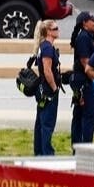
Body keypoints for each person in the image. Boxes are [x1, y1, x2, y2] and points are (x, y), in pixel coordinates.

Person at [69, 11, 94, 148]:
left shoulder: (89, 36)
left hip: (82, 81)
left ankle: (78, 148)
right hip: (83, 82)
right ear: (85, 24)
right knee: (89, 115)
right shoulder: (83, 38)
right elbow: (85, 62)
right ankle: (86, 148)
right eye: (92, 20)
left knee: (80, 115)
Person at [33, 19, 61, 156]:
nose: (58, 30)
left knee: (41, 122)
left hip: (42, 90)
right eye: (55, 28)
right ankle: (47, 154)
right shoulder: (48, 48)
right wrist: (55, 88)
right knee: (47, 124)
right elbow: (47, 70)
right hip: (48, 91)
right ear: (49, 31)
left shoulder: (43, 46)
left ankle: (39, 151)